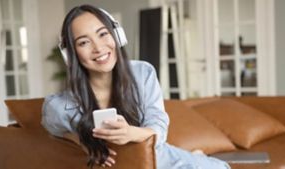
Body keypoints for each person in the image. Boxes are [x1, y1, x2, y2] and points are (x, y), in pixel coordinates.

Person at [41, 4, 230, 169]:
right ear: (70, 55)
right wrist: (84, 142)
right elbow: (54, 127)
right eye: (84, 42)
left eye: (103, 34)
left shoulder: (142, 73)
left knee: (222, 167)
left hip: (160, 157)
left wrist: (131, 133)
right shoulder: (59, 106)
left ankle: (196, 157)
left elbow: (158, 127)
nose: (98, 48)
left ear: (117, 35)